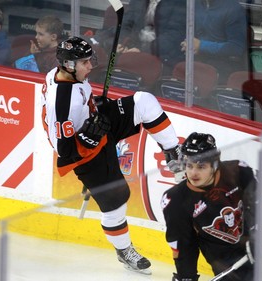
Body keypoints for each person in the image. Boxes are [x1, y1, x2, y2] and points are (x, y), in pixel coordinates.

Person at [41, 36, 182, 274]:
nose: (90, 66)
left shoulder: (62, 74)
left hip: (93, 123)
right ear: (69, 65)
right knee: (116, 201)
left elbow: (81, 103)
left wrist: (95, 105)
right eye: (85, 62)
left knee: (143, 102)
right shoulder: (63, 103)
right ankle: (124, 250)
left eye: (89, 60)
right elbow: (64, 151)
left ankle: (175, 157)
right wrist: (89, 137)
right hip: (83, 154)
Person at [161, 132, 262, 281]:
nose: (194, 173)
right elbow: (184, 247)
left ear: (214, 164)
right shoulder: (175, 200)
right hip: (228, 268)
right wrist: (186, 277)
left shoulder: (237, 171)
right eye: (189, 166)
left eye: (201, 167)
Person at [180, 0, 248, 84]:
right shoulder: (194, 4)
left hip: (222, 68)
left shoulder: (234, 9)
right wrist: (188, 44)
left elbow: (236, 47)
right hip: (195, 63)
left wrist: (201, 46)